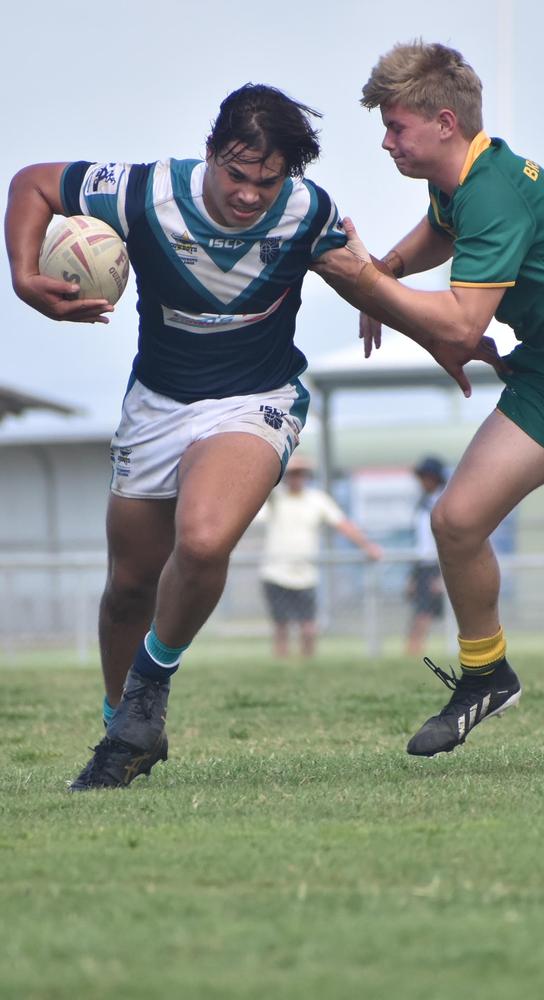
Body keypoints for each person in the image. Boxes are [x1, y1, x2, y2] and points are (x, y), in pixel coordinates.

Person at [4, 83, 373, 789]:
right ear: (211, 153)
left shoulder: (305, 209)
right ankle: (126, 731)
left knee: (203, 540)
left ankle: (147, 699)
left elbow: (354, 261)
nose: (249, 194)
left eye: (267, 181)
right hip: (157, 405)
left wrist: (385, 293)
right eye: (237, 174)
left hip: (255, 400)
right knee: (128, 587)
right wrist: (25, 278)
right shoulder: (144, 194)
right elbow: (32, 185)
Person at [313, 41, 544, 759]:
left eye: (396, 126)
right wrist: (390, 268)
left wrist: (366, 283)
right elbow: (442, 226)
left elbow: (465, 325)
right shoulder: (462, 179)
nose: (385, 140)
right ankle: (486, 676)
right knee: (458, 522)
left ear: (442, 121)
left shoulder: (493, 192)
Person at [257, 452, 382, 658]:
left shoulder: (317, 500)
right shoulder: (274, 500)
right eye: (292, 474)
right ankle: (281, 666)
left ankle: (308, 664)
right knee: (281, 626)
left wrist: (367, 545)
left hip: (305, 574)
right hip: (275, 572)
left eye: (301, 473)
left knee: (308, 626)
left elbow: (342, 524)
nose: (296, 478)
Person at [405, 456, 447, 656]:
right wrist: (412, 576)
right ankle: (414, 650)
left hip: (436, 565)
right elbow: (420, 542)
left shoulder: (443, 502)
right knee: (421, 611)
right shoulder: (423, 504)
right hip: (422, 564)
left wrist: (441, 574)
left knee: (425, 612)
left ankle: (415, 650)